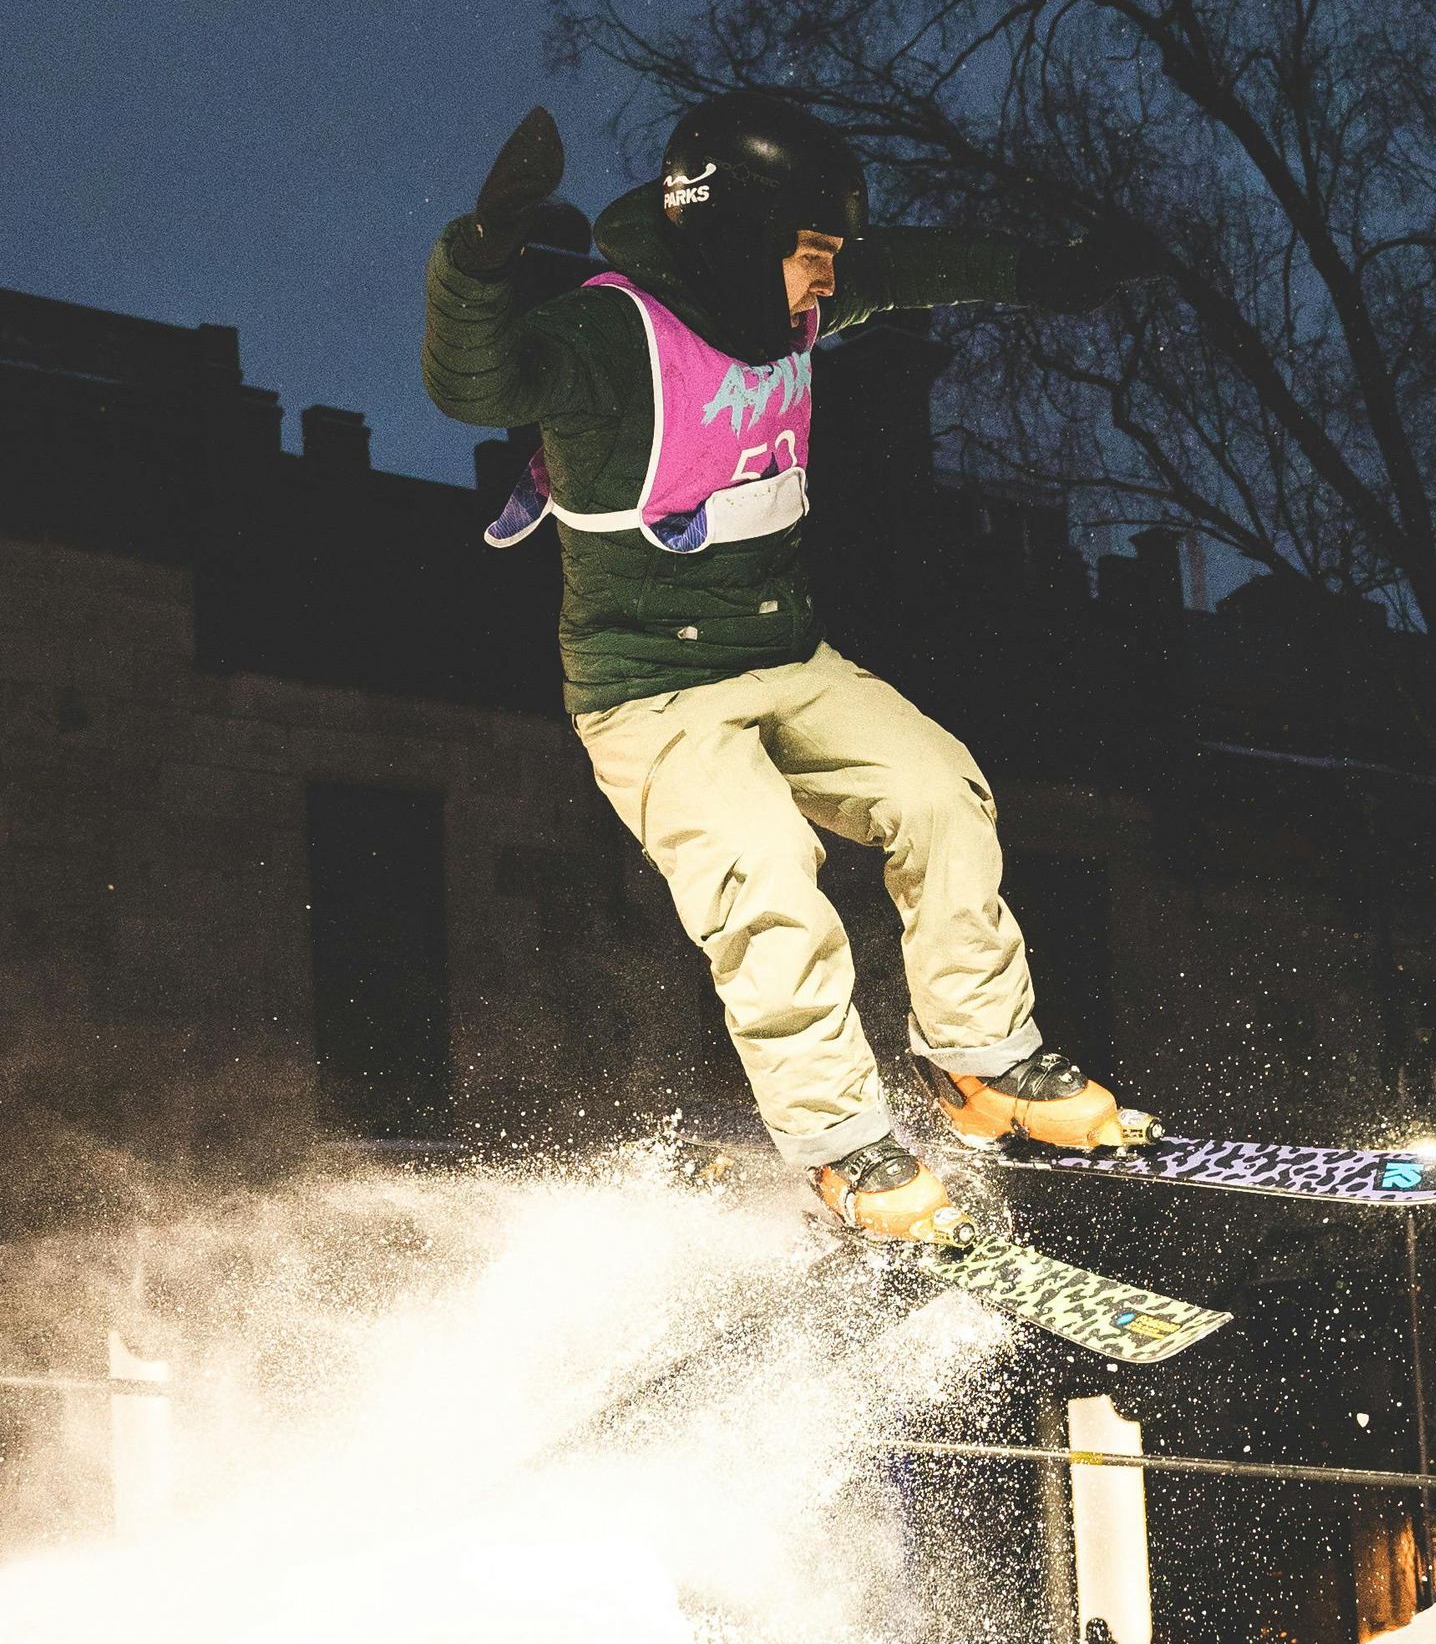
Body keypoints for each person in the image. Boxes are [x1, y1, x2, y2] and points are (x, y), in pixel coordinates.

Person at [422, 93, 1161, 1239]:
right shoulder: (608, 337)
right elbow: (475, 385)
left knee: (938, 789)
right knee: (767, 873)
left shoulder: (793, 304)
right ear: (735, 240)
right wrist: (479, 258)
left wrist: (1045, 273)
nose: (828, 285)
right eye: (812, 258)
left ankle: (982, 1068)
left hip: (784, 658)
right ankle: (841, 1147)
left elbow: (914, 267)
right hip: (652, 698)